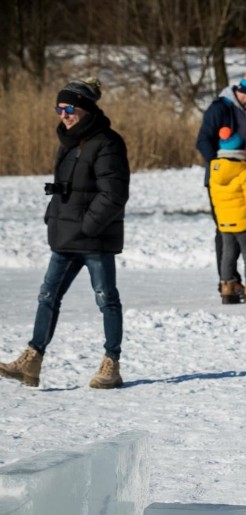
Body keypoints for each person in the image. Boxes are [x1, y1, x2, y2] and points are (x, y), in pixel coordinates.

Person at [0, 78, 130, 389]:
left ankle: (111, 364)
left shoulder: (107, 142)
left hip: (94, 239)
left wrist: (87, 227)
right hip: (66, 237)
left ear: (85, 109)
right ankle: (32, 359)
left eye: (69, 108)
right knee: (47, 296)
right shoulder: (69, 141)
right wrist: (53, 217)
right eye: (59, 108)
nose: (63, 114)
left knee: (106, 299)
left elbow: (113, 193)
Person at [196, 65, 246, 296]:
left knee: (244, 230)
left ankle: (235, 281)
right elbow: (203, 140)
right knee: (225, 230)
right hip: (222, 182)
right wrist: (218, 168)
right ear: (244, 92)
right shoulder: (220, 108)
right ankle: (228, 280)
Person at [209, 127, 246, 304]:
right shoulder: (245, 172)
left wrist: (221, 220)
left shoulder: (214, 172)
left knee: (227, 255)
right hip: (244, 223)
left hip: (225, 223)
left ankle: (227, 291)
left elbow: (215, 199)